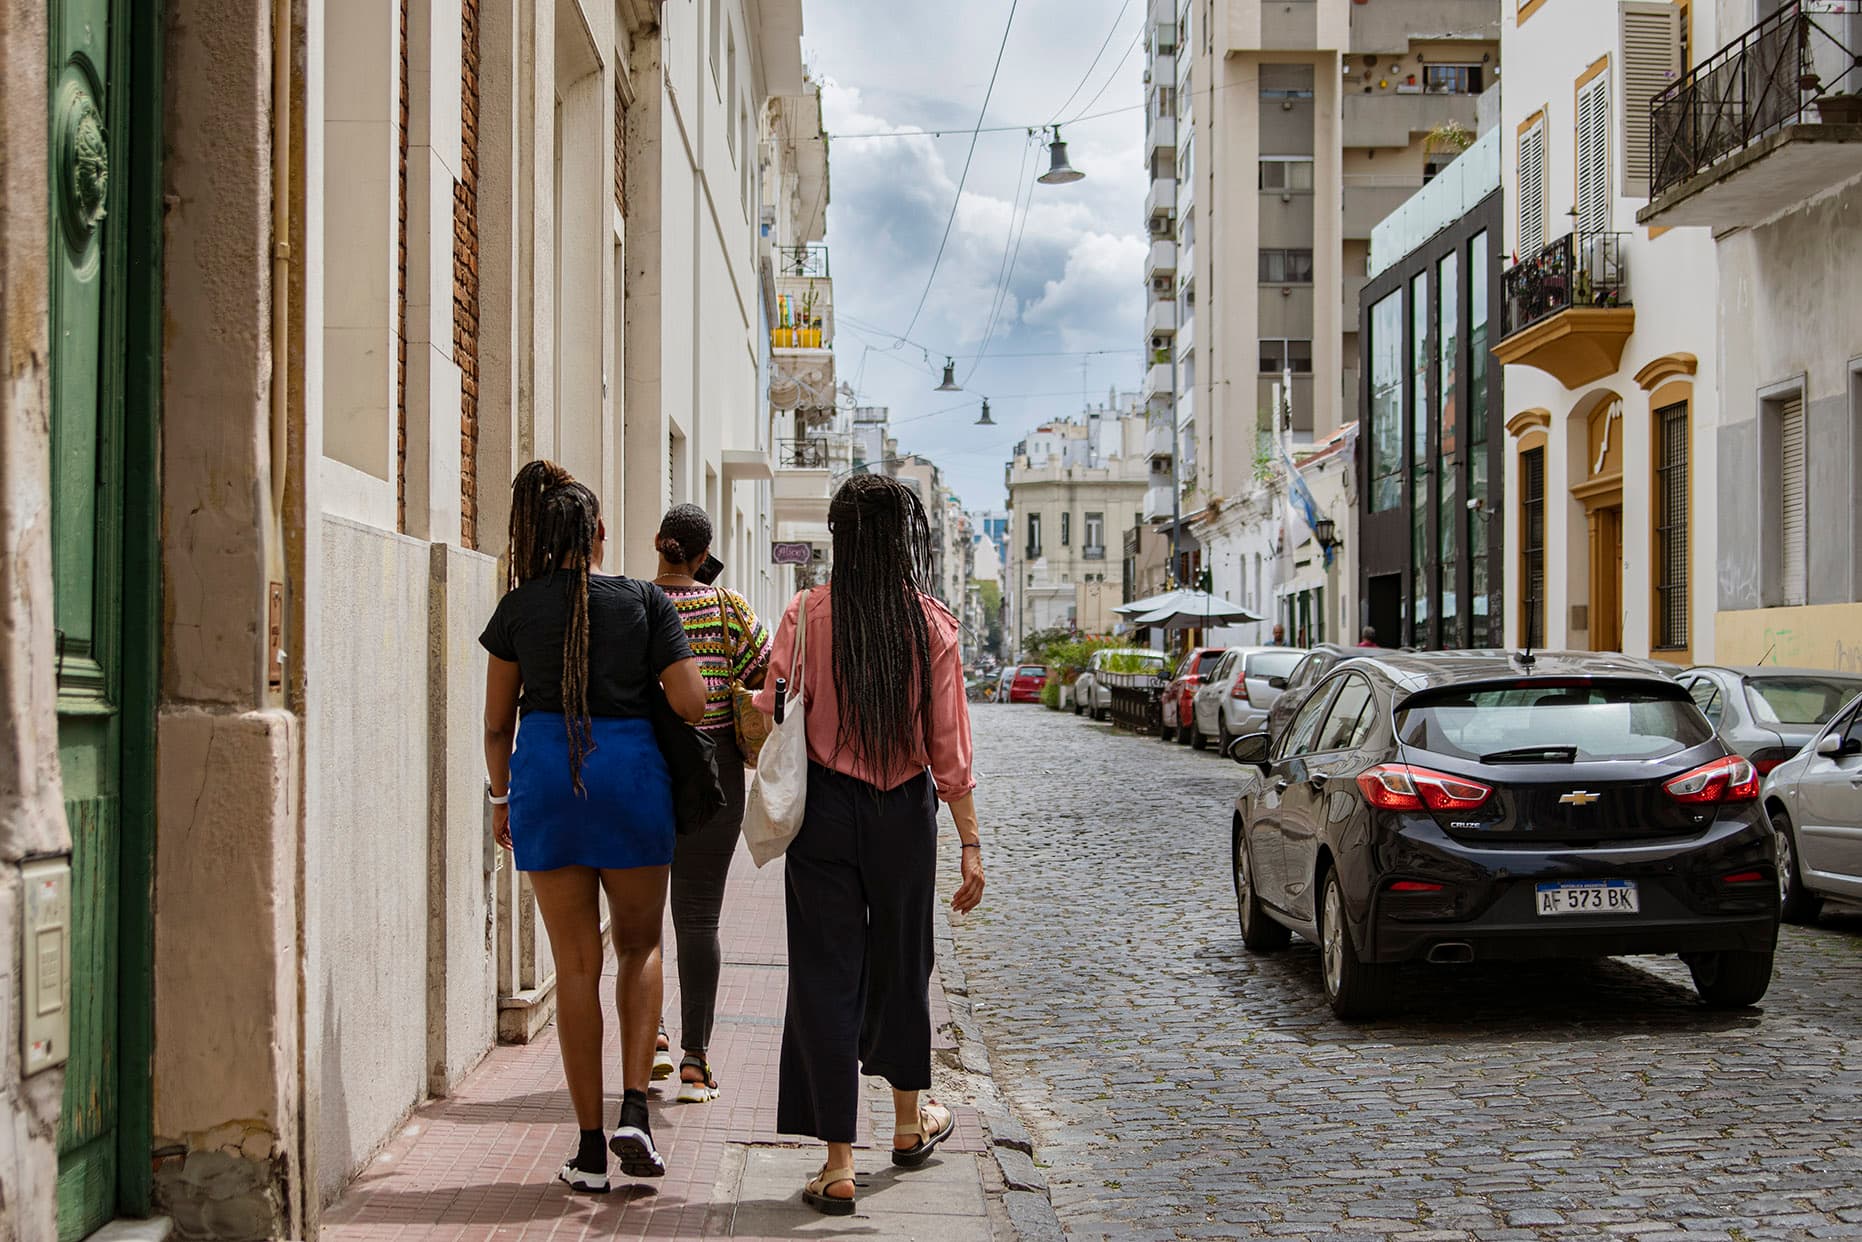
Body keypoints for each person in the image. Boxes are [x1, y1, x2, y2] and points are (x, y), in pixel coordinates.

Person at [753, 473, 986, 1216]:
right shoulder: (933, 625)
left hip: (825, 813)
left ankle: (838, 1163)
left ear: (840, 537)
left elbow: (770, 707)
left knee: (825, 974)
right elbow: (949, 750)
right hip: (904, 817)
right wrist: (971, 846)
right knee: (904, 962)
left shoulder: (807, 613)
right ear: (903, 538)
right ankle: (911, 1124)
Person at [480, 461, 706, 1194]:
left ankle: (586, 1150)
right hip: (632, 778)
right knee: (639, 945)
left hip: (547, 774)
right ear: (601, 534)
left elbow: (494, 726)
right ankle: (635, 1108)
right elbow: (692, 704)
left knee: (576, 966)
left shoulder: (518, 609)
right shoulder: (645, 600)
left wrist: (501, 800)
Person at [651, 503, 772, 1105]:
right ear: (705, 555)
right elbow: (767, 678)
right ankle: (696, 1061)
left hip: (644, 770)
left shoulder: (633, 603)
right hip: (714, 772)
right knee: (698, 918)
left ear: (656, 543)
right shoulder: (729, 608)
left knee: (638, 919)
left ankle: (650, 1042)